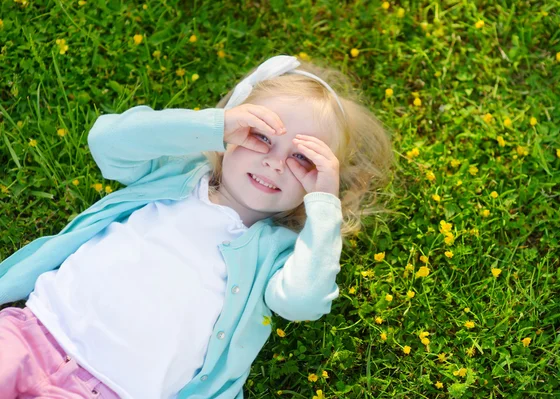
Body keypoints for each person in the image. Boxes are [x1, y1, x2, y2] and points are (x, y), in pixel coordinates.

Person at [0, 54, 394, 398]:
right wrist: (212, 127)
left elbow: (302, 303)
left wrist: (323, 206)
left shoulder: (280, 252)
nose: (275, 162)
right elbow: (107, 142)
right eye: (262, 137)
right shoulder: (174, 174)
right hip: (33, 332)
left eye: (302, 159)